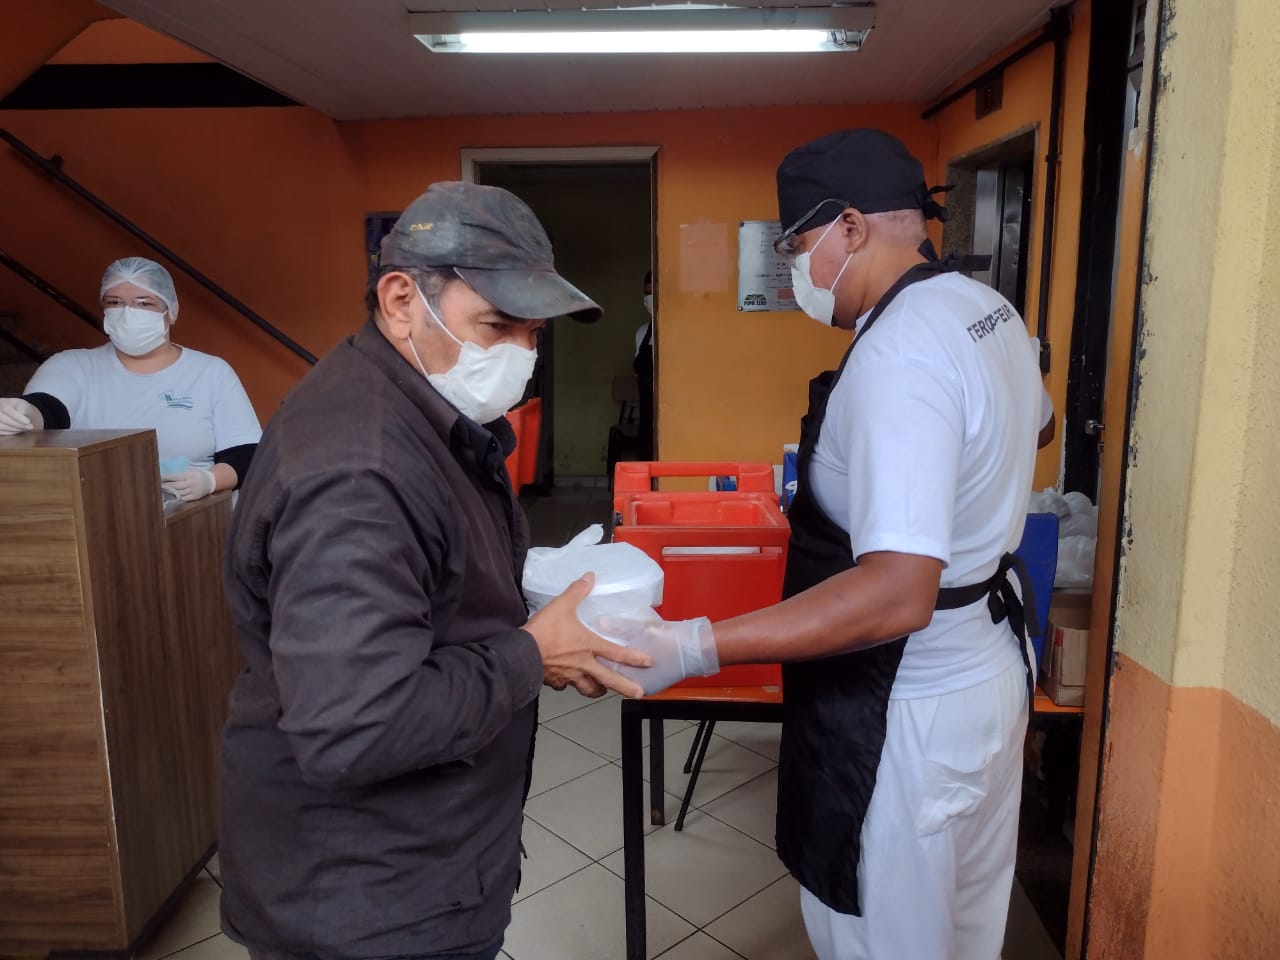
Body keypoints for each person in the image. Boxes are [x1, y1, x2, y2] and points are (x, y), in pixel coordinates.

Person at [605, 130, 1044, 959]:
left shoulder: (899, 354)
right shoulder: (986, 311)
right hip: (986, 672)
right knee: (964, 934)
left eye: (799, 246)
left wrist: (696, 645)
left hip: (905, 708)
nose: (797, 271)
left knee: (887, 940)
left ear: (849, 228)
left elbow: (894, 594)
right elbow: (1040, 422)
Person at [217, 181, 652, 960]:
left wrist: (523, 611)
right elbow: (357, 726)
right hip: (366, 899)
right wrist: (529, 653)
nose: (521, 353)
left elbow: (421, 590)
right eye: (497, 324)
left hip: (414, 863)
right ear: (401, 299)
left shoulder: (413, 409)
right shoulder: (359, 469)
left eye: (533, 332)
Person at [0, 256, 260, 501]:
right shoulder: (72, 365)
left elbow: (247, 454)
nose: (127, 312)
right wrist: (23, 412)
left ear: (170, 311)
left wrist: (209, 481)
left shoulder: (211, 372)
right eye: (114, 302)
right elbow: (49, 407)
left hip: (192, 519)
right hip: (96, 515)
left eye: (144, 303)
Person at [633, 270, 655, 461]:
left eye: (653, 292)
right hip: (647, 412)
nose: (649, 297)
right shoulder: (641, 334)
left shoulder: (678, 333)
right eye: (646, 293)